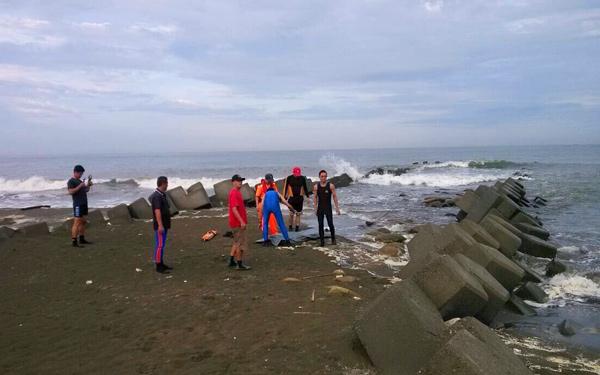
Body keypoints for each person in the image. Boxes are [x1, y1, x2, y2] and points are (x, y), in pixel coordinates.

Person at [262, 173, 296, 246]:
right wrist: (292, 210)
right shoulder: (276, 193)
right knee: (281, 224)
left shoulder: (265, 194)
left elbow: (262, 204)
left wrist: (261, 214)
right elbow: (285, 202)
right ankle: (287, 241)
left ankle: (265, 241)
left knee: (265, 224)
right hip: (275, 207)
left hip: (266, 208)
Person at [149, 176, 172, 273]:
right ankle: (158, 266)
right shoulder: (157, 196)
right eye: (166, 183)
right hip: (160, 225)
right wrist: (160, 225)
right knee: (160, 245)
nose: (167, 185)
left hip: (165, 224)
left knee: (162, 245)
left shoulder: (162, 194)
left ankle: (161, 263)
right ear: (162, 183)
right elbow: (157, 211)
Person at [228, 174, 251, 270]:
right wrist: (241, 221)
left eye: (241, 180)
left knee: (236, 242)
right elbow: (234, 209)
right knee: (240, 244)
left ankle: (231, 261)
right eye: (238, 181)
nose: (240, 182)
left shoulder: (236, 192)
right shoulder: (234, 192)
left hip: (236, 222)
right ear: (233, 182)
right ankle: (239, 264)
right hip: (237, 223)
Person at [313, 170, 341, 247]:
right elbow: (315, 198)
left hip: (328, 208)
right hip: (320, 208)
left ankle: (333, 239)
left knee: (330, 224)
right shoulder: (316, 187)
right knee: (320, 225)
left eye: (325, 176)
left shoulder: (331, 186)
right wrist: (315, 208)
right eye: (322, 176)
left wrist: (337, 208)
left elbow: (335, 197)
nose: (323, 178)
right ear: (319, 177)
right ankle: (322, 242)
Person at [67, 164, 93, 247]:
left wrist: (88, 185)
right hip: (77, 204)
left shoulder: (80, 181)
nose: (81, 175)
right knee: (77, 222)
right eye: (80, 173)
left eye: (82, 173)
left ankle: (82, 239)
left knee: (82, 222)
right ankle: (74, 241)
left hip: (83, 204)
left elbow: (86, 190)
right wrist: (80, 185)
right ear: (75, 172)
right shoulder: (71, 181)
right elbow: (71, 192)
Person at [283, 167, 312, 232]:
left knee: (298, 214)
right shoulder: (289, 178)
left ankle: (297, 227)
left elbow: (305, 187)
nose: (297, 175)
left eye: (298, 174)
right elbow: (285, 188)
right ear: (293, 173)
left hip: (300, 198)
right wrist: (284, 197)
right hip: (292, 198)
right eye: (296, 173)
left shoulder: (302, 178)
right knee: (291, 214)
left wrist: (307, 196)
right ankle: (290, 227)